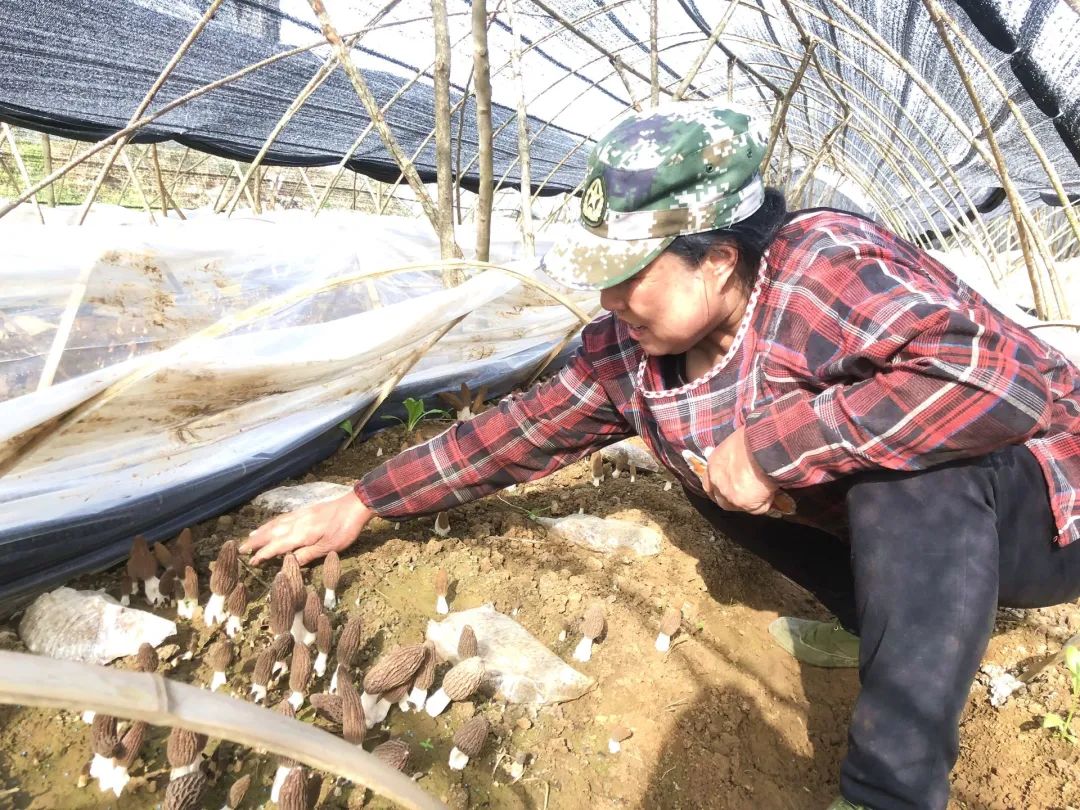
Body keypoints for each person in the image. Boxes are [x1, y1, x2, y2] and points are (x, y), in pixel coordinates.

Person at [241, 103, 1080, 809]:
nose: (608, 300)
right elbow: (517, 430)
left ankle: (890, 789)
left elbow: (1001, 389)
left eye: (629, 273)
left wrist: (773, 444)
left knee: (902, 475)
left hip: (1045, 506)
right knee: (709, 467)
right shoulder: (629, 355)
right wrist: (368, 498)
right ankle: (878, 623)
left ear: (717, 259)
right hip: (943, 533)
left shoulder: (821, 270)